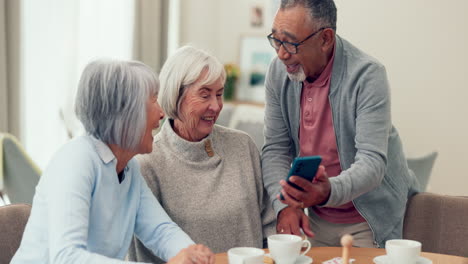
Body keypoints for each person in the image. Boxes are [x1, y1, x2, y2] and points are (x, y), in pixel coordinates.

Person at [11, 59, 215, 264]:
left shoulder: (128, 169)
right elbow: (67, 257)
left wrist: (192, 254)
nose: (162, 113)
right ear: (127, 112)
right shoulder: (76, 161)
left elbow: (160, 231)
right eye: (154, 100)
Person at [261, 0, 419, 248]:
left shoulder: (367, 75)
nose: (281, 53)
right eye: (276, 40)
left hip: (368, 218)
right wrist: (284, 205)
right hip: (317, 218)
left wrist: (328, 191)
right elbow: (276, 149)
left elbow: (372, 162)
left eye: (290, 43)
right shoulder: (278, 73)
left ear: (325, 39)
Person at [128, 46, 276, 263]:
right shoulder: (147, 163)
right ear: (175, 96)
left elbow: (269, 226)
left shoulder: (243, 146)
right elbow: (142, 255)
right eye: (205, 95)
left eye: (219, 94)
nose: (216, 106)